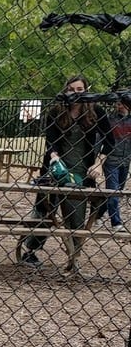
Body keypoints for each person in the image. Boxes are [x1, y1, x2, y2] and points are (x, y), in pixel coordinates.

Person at [19, 75, 109, 266]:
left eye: (79, 90)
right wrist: (54, 157)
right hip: (55, 167)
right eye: (71, 89)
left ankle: (73, 256)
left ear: (86, 91)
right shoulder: (56, 111)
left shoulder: (96, 112)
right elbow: (50, 140)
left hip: (81, 170)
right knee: (43, 210)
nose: (75, 94)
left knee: (76, 215)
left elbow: (110, 141)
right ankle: (31, 250)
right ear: (65, 90)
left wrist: (99, 163)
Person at [104, 90, 131, 231]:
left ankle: (98, 212)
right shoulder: (110, 119)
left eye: (122, 103)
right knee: (114, 192)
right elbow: (100, 140)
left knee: (116, 191)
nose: (119, 105)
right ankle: (116, 222)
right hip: (111, 160)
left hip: (126, 161)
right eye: (117, 103)